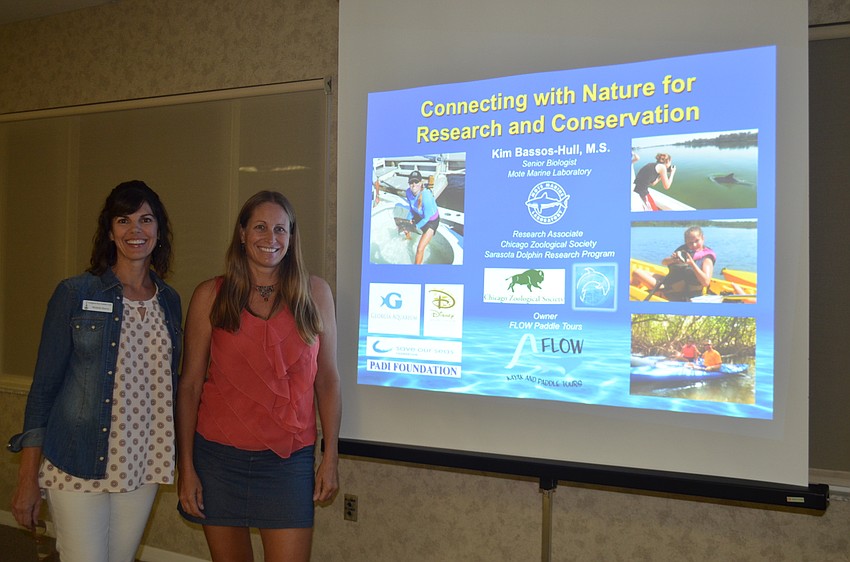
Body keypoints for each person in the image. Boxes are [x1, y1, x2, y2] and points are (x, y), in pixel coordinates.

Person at [8, 180, 182, 562]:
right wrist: (27, 480)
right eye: (124, 220)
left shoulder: (169, 302)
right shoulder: (75, 293)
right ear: (109, 230)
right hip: (77, 458)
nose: (135, 230)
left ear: (159, 231)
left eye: (146, 219)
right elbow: (43, 390)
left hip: (141, 462)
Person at [177, 191, 341, 562]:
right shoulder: (210, 296)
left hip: (289, 462)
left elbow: (328, 380)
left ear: (292, 237)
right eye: (261, 227)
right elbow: (189, 386)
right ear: (241, 234)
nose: (271, 238)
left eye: (280, 229)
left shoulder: (316, 294)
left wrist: (330, 456)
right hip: (217, 461)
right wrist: (185, 467)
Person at [631, 226, 716, 301]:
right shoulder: (684, 250)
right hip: (670, 281)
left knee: (636, 273)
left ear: (703, 238)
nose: (694, 245)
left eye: (697, 241)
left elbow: (706, 282)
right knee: (637, 271)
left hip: (674, 291)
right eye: (690, 242)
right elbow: (663, 262)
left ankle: (633, 294)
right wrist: (674, 259)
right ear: (686, 242)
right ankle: (634, 291)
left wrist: (692, 264)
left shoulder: (707, 259)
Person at [403, 170, 440, 264]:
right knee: (405, 227)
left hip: (431, 221)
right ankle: (408, 240)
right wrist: (407, 222)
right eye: (411, 182)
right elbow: (412, 209)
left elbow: (426, 218)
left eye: (416, 182)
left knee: (419, 249)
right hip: (419, 215)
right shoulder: (408, 192)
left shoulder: (426, 196)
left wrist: (414, 227)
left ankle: (416, 272)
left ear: (421, 183)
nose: (414, 184)